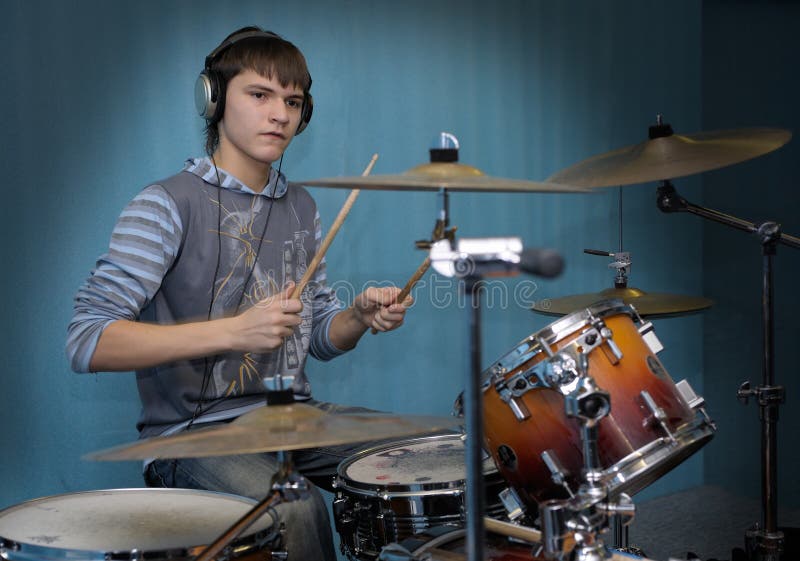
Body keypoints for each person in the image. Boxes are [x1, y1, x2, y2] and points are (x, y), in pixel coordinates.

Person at [66, 26, 411, 560]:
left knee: (416, 455)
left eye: (293, 102)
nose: (280, 115)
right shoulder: (165, 205)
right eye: (260, 95)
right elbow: (87, 340)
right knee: (293, 507)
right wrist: (234, 330)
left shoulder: (301, 208)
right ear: (214, 97)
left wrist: (359, 317)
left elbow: (316, 337)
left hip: (289, 415)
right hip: (189, 434)